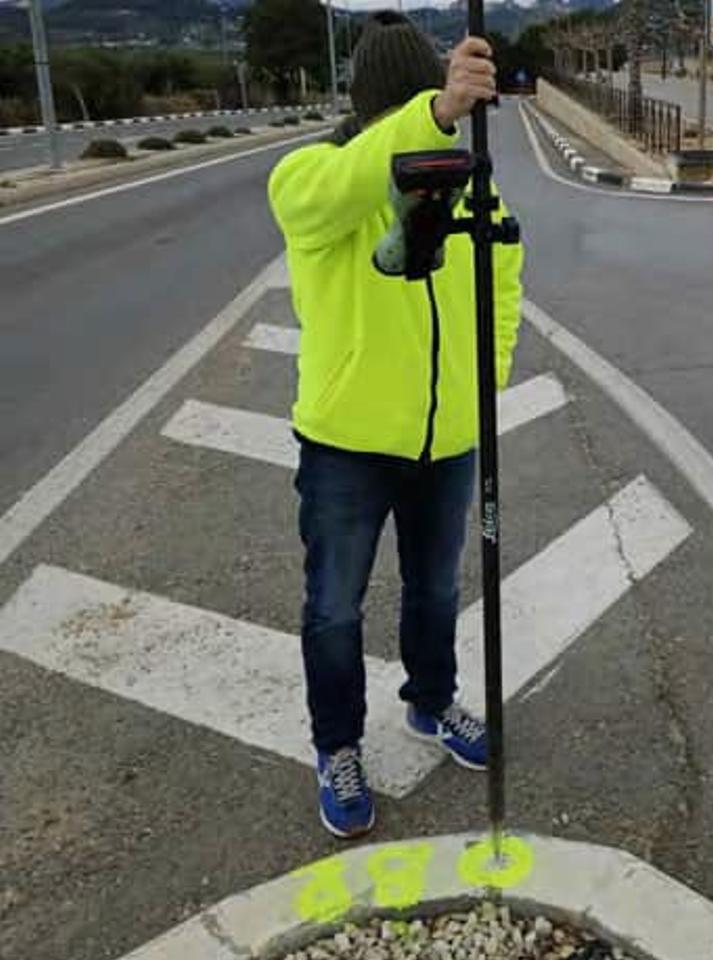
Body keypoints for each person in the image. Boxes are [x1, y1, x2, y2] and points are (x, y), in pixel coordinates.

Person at [268, 15, 523, 839]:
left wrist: (487, 387)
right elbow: (351, 183)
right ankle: (336, 745)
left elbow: (504, 285)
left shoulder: (473, 188)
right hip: (346, 442)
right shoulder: (311, 179)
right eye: (410, 107)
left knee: (438, 589)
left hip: (447, 441)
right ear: (387, 107)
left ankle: (432, 702)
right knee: (335, 607)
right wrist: (435, 117)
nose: (424, 121)